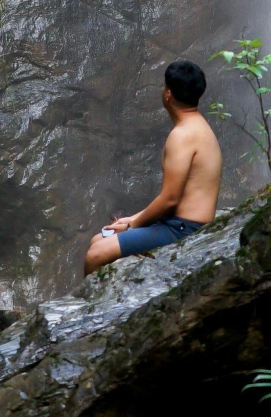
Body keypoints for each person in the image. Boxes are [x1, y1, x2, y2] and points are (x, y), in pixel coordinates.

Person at [84, 59, 222, 274]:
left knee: (95, 254)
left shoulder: (183, 135)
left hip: (183, 229)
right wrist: (132, 219)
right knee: (99, 238)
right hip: (176, 222)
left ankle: (91, 307)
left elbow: (170, 199)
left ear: (168, 94)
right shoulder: (199, 127)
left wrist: (133, 225)